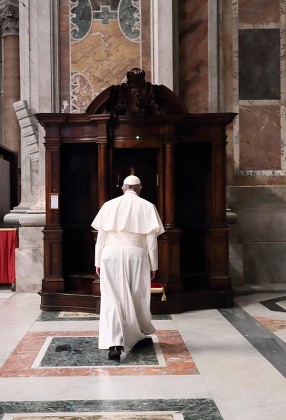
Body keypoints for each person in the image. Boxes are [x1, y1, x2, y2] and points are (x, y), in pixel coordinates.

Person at [91, 175, 165, 360]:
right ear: (140, 189)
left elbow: (100, 238)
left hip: (110, 254)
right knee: (137, 295)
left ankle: (116, 343)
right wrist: (153, 266)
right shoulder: (148, 206)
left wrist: (98, 262)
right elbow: (152, 242)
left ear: (123, 188)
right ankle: (133, 336)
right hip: (137, 255)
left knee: (111, 298)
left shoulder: (108, 205)